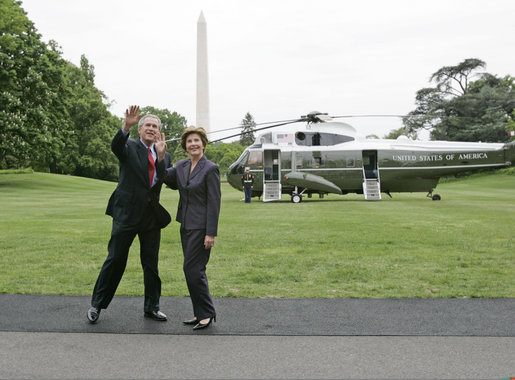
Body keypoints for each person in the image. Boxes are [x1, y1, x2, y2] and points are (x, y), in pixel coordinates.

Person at [87, 105, 172, 324]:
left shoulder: (163, 154)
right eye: (148, 126)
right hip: (126, 214)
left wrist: (161, 159)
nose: (152, 129)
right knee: (115, 259)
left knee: (151, 264)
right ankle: (97, 305)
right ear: (140, 129)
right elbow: (116, 146)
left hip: (151, 217)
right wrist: (126, 125)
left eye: (155, 126)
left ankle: (152, 307)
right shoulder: (129, 147)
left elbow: (164, 180)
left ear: (159, 131)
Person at [163, 126, 221, 330]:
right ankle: (201, 313)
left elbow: (214, 202)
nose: (193, 144)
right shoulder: (181, 166)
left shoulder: (210, 168)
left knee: (193, 269)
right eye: (189, 141)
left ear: (203, 144)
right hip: (185, 225)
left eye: (197, 140)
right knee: (193, 270)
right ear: (185, 146)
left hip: (201, 227)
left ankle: (206, 313)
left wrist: (210, 233)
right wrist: (161, 155)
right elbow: (164, 176)